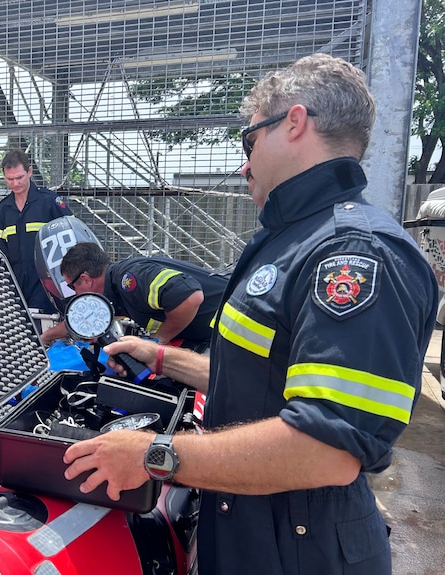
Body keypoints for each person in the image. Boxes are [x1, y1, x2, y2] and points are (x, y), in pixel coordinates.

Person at [62, 53, 437, 574]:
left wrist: (154, 454)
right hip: (250, 529)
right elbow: (262, 380)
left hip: (301, 551)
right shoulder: (294, 240)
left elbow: (325, 448)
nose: (243, 164)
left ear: (295, 123)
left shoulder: (354, 255)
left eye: (249, 141)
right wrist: (161, 357)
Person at [39, 242, 228, 345]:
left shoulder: (129, 279)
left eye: (72, 287)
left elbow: (190, 297)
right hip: (217, 334)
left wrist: (158, 341)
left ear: (86, 280)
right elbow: (80, 321)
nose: (75, 294)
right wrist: (45, 338)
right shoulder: (111, 293)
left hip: (237, 323)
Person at [0, 149, 72, 311]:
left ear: (29, 172)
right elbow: (1, 249)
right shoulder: (4, 208)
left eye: (19, 177)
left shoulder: (49, 201)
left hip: (47, 282)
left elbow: (73, 238)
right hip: (16, 284)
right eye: (10, 179)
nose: (15, 183)